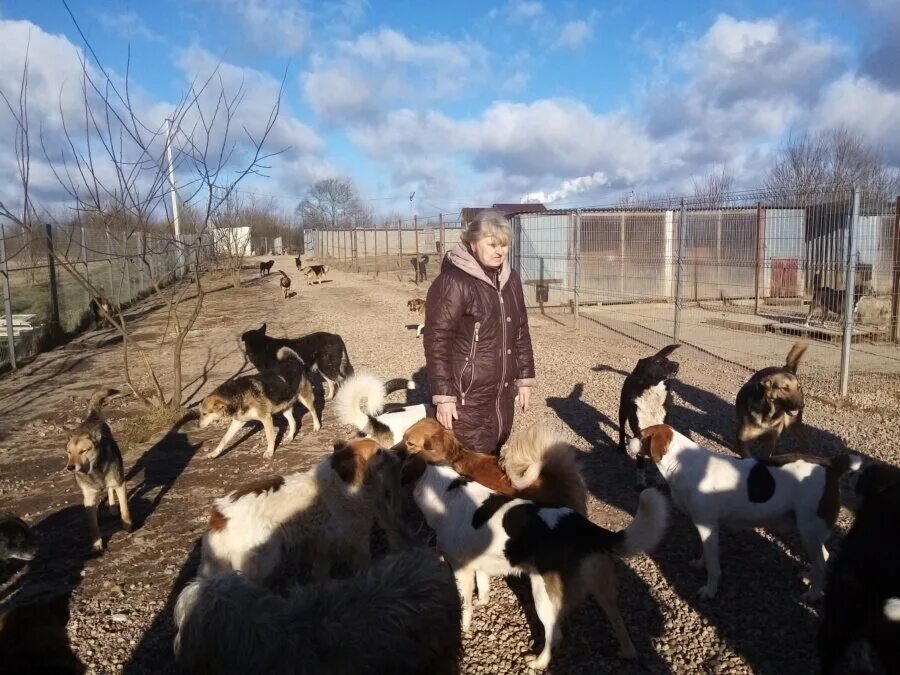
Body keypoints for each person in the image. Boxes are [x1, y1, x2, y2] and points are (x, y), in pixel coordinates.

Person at [424, 210, 535, 455]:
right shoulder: (453, 282)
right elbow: (437, 340)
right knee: (466, 461)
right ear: (473, 243)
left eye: (504, 245)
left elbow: (521, 331)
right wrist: (443, 397)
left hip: (500, 394)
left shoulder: (511, 280)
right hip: (466, 397)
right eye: (492, 244)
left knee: (493, 450)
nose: (500, 251)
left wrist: (524, 379)